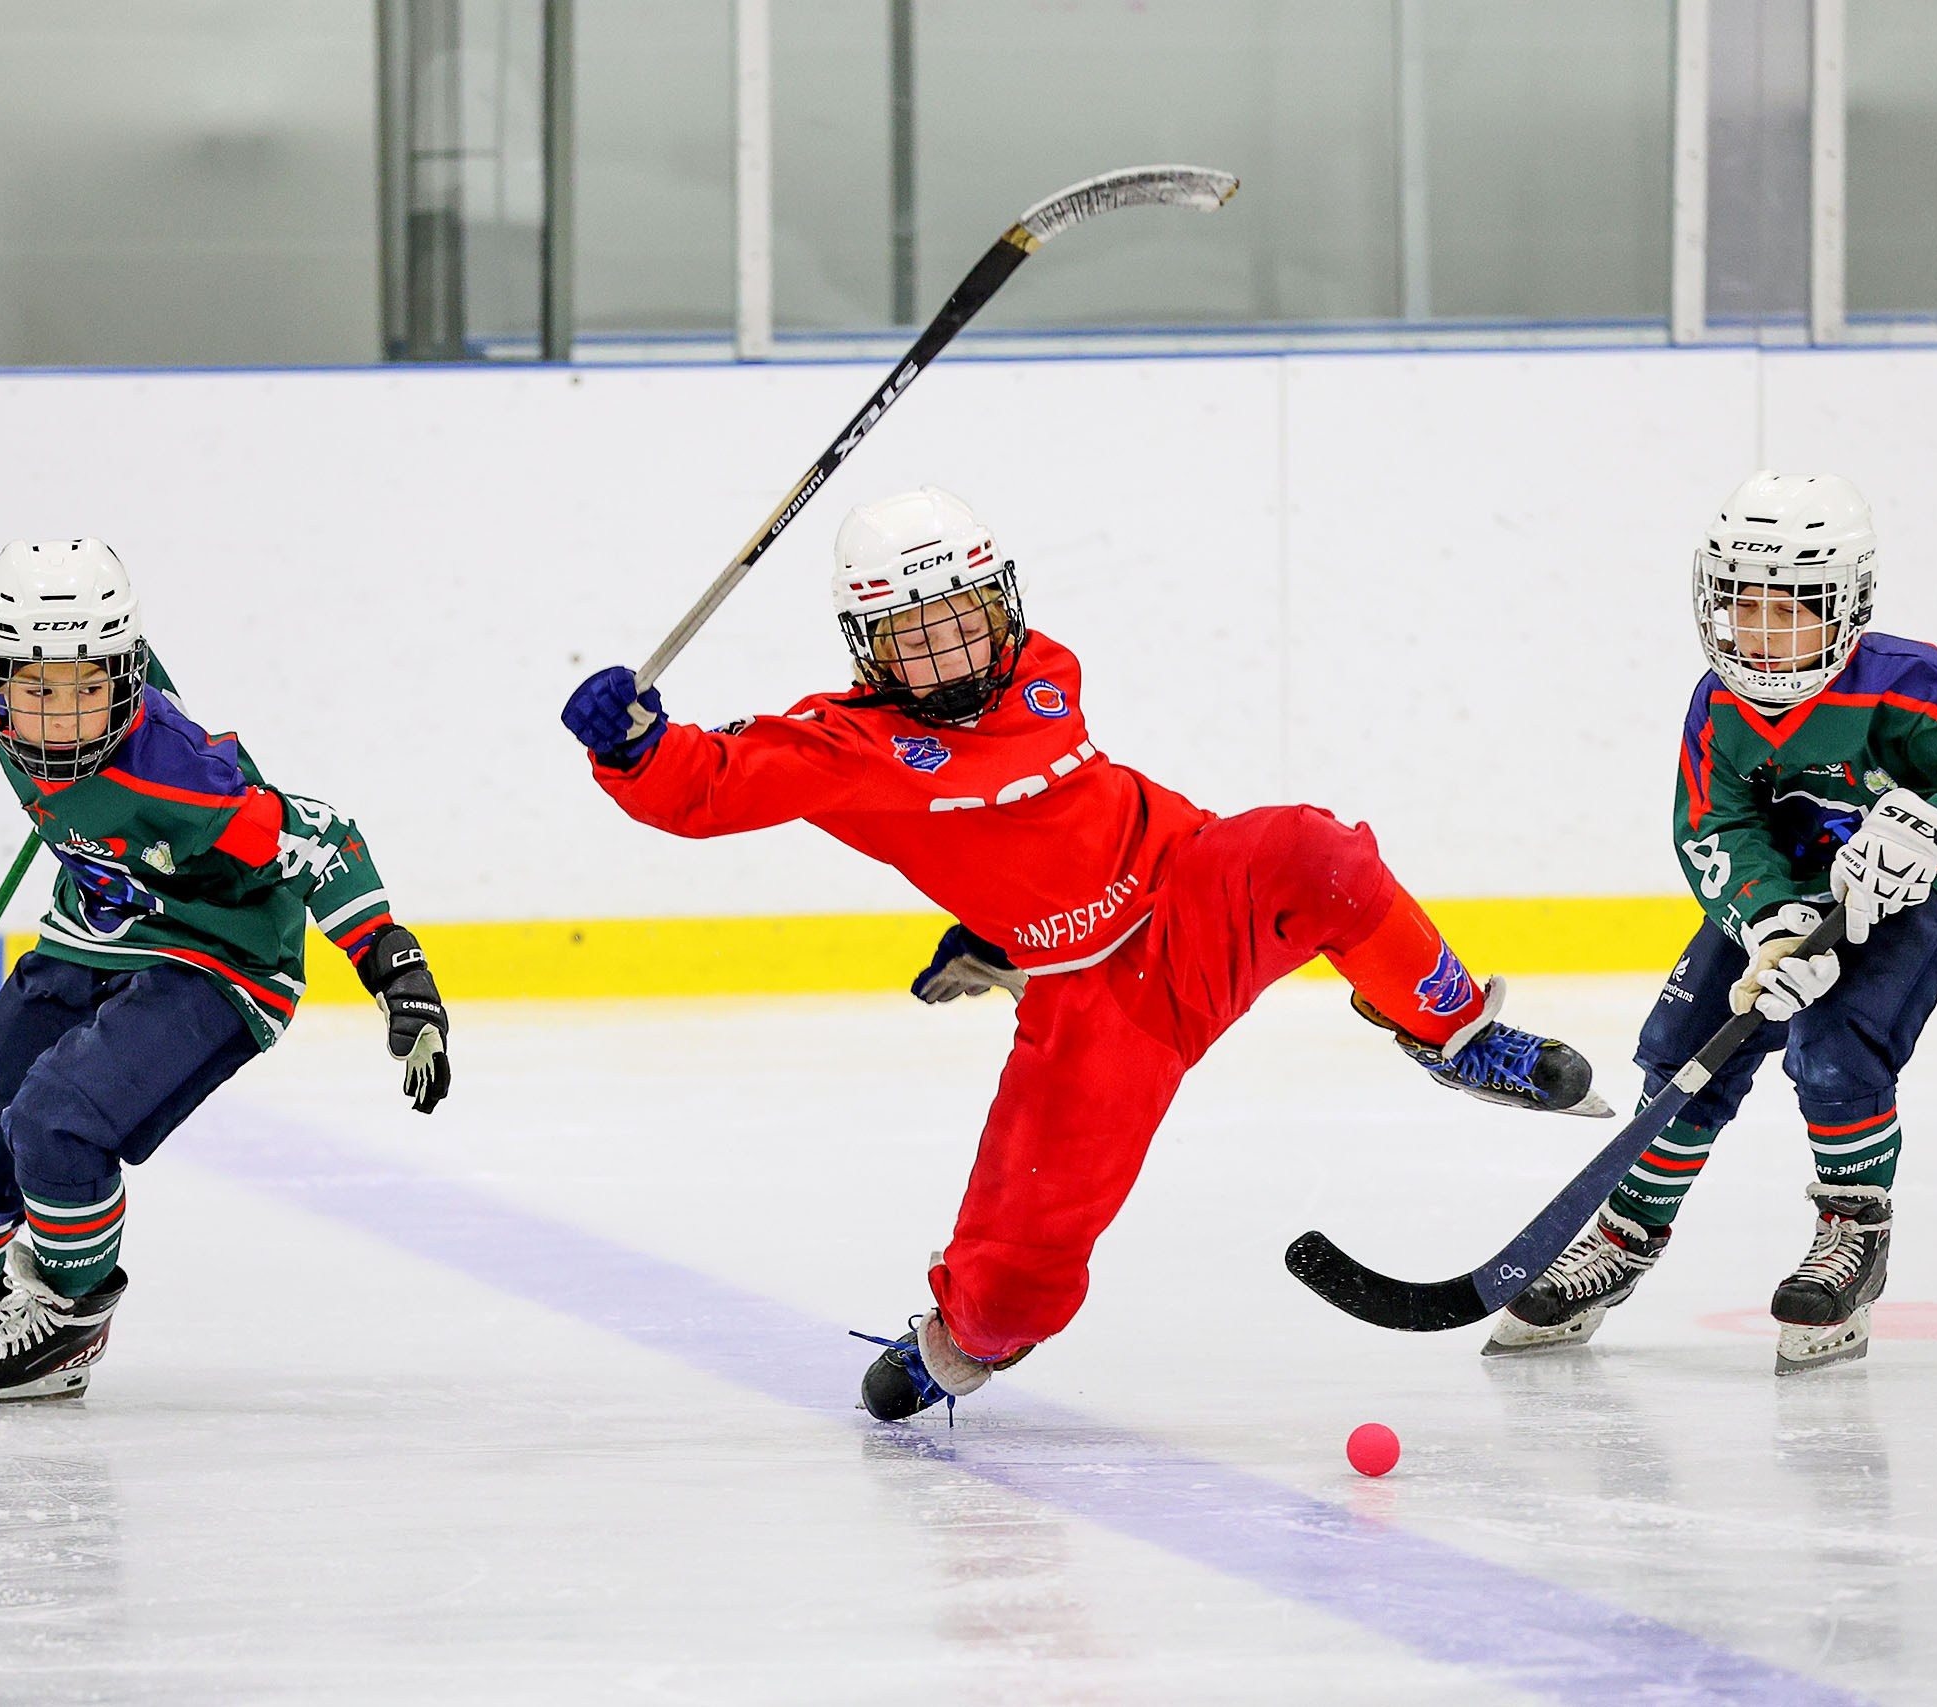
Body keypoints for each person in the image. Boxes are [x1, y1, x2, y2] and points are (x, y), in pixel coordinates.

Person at [560, 487, 1607, 1422]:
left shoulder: (1044, 670)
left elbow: (1022, 812)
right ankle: (959, 1342)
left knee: (1312, 851)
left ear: (1002, 605)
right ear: (868, 649)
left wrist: (999, 921)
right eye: (915, 638)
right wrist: (634, 748)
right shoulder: (842, 746)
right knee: (1016, 1282)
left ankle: (1457, 1031)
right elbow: (709, 786)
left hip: (1192, 888)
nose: (954, 655)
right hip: (1096, 1006)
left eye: (967, 620)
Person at [0, 539, 452, 1406]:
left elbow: (320, 837)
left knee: (59, 1120)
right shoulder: (26, 711)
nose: (62, 721)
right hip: (92, 932)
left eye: (87, 691)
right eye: (38, 691)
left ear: (125, 679)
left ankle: (68, 1316)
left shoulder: (182, 777)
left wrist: (398, 969)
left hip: (220, 958)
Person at [1485, 472, 1937, 1374]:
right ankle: (1625, 1238)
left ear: (1847, 605)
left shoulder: (1912, 682)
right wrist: (1774, 927)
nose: (1757, 632)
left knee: (1836, 1042)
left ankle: (1852, 1237)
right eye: (1740, 606)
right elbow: (1716, 827)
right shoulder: (1719, 702)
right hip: (1795, 889)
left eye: (1788, 609)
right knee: (1682, 1042)